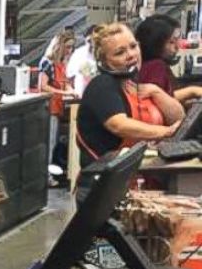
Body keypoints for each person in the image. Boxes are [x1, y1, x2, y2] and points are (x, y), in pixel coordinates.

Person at [77, 22, 183, 170]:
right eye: (120, 53)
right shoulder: (102, 85)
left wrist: (156, 91)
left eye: (133, 46)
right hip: (109, 185)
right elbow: (119, 125)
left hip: (145, 175)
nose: (131, 55)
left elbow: (179, 117)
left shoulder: (136, 85)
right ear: (104, 61)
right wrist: (166, 132)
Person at [136, 14, 202, 104]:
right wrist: (192, 91)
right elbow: (161, 98)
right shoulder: (156, 66)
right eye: (171, 42)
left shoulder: (147, 65)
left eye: (178, 39)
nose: (177, 46)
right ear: (155, 44)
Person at [39, 30, 77, 178]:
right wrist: (65, 93)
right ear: (59, 46)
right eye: (67, 47)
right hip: (49, 107)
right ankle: (46, 177)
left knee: (53, 143)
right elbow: (44, 86)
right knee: (49, 144)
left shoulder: (62, 63)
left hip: (58, 107)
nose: (70, 51)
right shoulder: (47, 62)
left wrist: (70, 90)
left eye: (72, 47)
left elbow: (65, 82)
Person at [67, 24, 100, 97]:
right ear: (85, 40)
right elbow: (69, 78)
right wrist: (72, 91)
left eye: (94, 41)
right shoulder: (78, 54)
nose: (91, 44)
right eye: (89, 41)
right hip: (81, 98)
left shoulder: (106, 54)